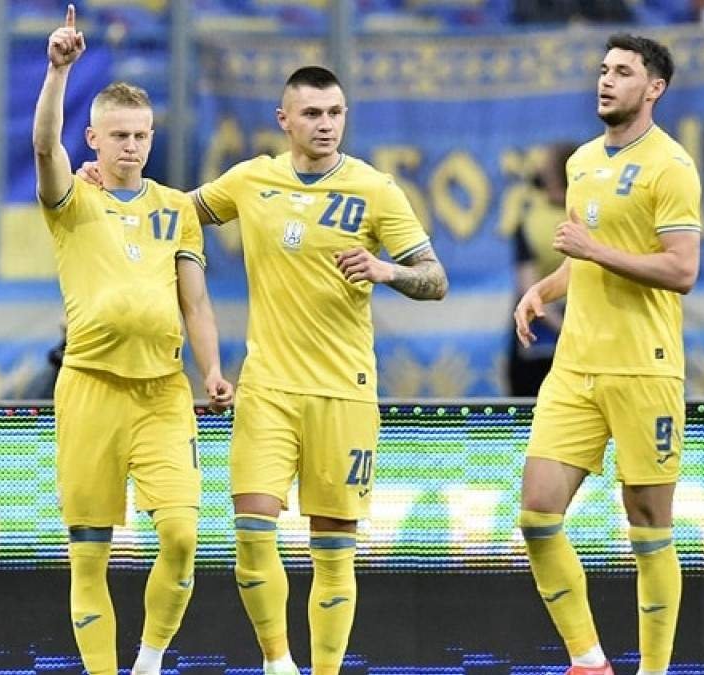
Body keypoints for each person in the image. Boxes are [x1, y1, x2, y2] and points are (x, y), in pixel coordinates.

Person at [193, 66, 447, 675]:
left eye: (335, 113)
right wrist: (109, 183)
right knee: (252, 531)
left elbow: (435, 279)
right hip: (267, 388)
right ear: (284, 120)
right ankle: (278, 663)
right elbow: (175, 213)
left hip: (344, 391)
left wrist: (387, 271)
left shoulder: (375, 189)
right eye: (312, 114)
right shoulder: (250, 179)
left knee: (333, 552)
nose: (326, 124)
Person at [33, 6, 234, 675]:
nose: (132, 146)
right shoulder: (73, 200)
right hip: (89, 389)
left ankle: (147, 662)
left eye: (142, 134)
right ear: (92, 138)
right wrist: (58, 72)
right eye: (118, 135)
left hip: (162, 393)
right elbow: (44, 148)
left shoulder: (177, 209)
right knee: (89, 552)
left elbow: (194, 301)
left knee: (181, 536)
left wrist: (212, 369)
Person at [513, 34, 702, 675]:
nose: (606, 80)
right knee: (537, 514)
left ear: (654, 88)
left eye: (622, 71)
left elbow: (681, 270)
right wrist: (545, 288)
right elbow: (583, 258)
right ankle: (589, 661)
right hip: (574, 367)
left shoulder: (670, 166)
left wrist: (594, 251)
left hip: (644, 366)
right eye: (603, 69)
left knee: (648, 526)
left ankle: (654, 669)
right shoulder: (582, 162)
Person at [508, 142, 579, 397]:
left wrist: (565, 330)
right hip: (566, 332)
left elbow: (528, 285)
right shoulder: (593, 217)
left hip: (548, 330)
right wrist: (572, 331)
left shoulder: (531, 221)